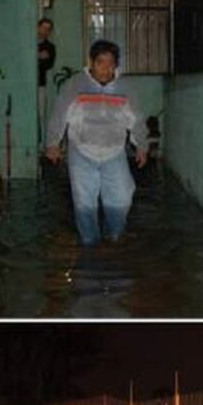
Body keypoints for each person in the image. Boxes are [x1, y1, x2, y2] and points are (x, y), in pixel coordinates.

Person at [45, 40, 149, 246]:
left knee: (121, 197)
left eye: (111, 63)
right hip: (82, 151)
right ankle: (90, 243)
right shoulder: (75, 85)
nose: (106, 68)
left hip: (114, 152)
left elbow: (136, 119)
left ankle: (115, 237)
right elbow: (59, 115)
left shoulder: (125, 88)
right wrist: (52, 143)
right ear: (91, 62)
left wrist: (142, 146)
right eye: (101, 62)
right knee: (85, 202)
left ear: (116, 65)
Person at [37, 18, 56, 132]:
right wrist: (38, 56)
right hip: (25, 84)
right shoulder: (29, 43)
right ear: (38, 27)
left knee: (41, 114)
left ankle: (41, 143)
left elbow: (48, 65)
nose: (45, 31)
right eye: (43, 28)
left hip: (40, 84)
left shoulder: (50, 47)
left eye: (48, 29)